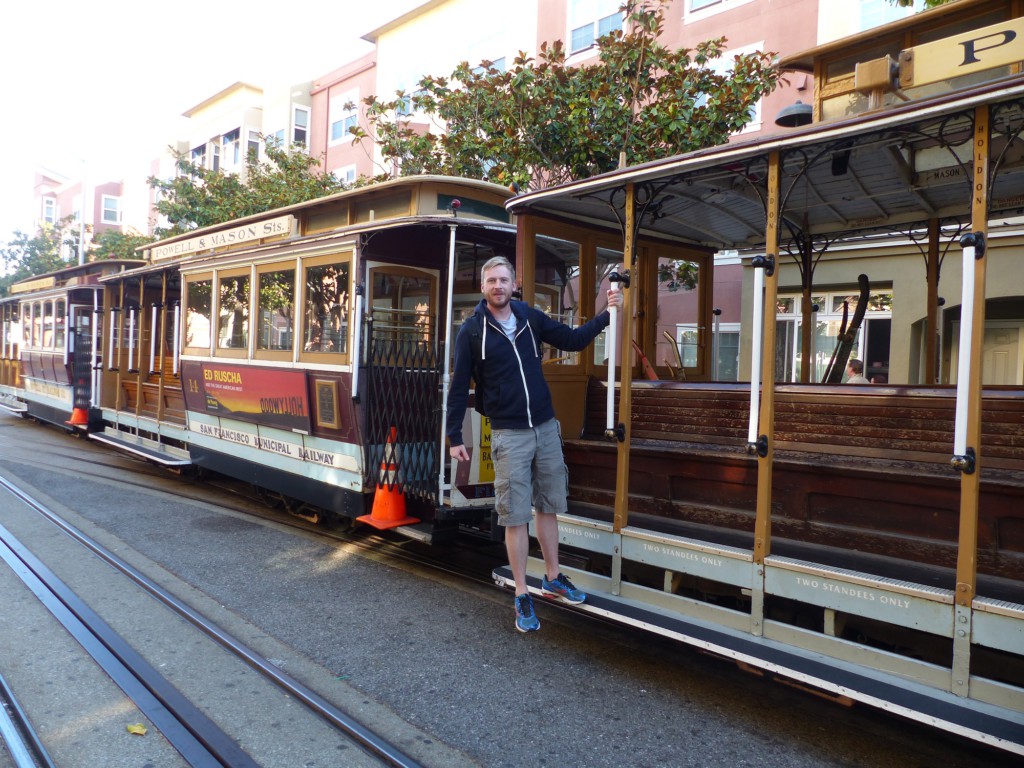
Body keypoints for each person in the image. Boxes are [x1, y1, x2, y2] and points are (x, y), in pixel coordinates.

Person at [446, 256, 624, 633]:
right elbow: (459, 387)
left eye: (504, 280)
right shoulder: (472, 331)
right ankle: (523, 594)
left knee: (549, 506)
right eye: (491, 280)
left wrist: (608, 314)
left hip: (545, 427)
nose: (498, 286)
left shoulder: (529, 318)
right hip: (509, 433)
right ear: (484, 287)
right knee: (515, 515)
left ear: (513, 285)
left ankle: (554, 577)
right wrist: (453, 438)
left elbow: (572, 341)